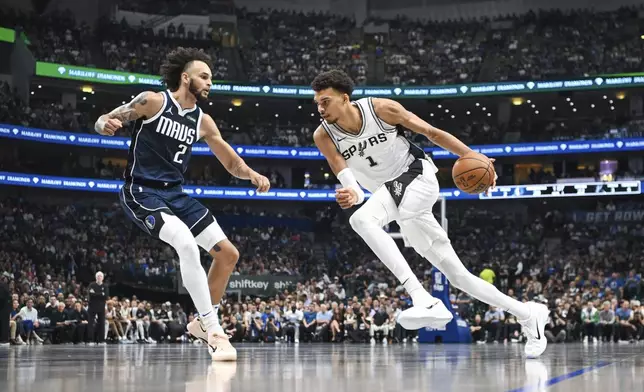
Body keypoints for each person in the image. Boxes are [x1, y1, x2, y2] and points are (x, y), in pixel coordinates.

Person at [310, 69, 550, 358]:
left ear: (345, 98)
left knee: (362, 219)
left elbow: (431, 132)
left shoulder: (381, 108)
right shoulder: (323, 135)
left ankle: (422, 297)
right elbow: (353, 186)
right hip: (400, 202)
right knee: (459, 276)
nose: (320, 109)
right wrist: (352, 193)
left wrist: (472, 157)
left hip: (418, 177)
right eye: (318, 104)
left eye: (325, 102)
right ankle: (528, 315)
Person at [94, 47, 270, 361]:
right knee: (186, 245)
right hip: (143, 191)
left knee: (228, 254)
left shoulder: (203, 121)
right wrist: (104, 123)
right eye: (204, 77)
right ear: (185, 77)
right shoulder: (153, 101)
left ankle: (201, 323)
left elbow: (229, 160)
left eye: (212, 78)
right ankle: (215, 331)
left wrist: (251, 174)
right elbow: (108, 117)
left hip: (176, 194)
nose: (209, 83)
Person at [87, 271, 108, 345]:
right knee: (91, 323)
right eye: (98, 276)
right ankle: (91, 340)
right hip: (92, 306)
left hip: (101, 307)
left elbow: (106, 296)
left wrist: (96, 294)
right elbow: (91, 294)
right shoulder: (92, 285)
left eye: (100, 276)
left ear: (102, 278)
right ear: (96, 277)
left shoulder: (105, 286)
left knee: (101, 324)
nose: (99, 278)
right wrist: (101, 294)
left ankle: (101, 340)